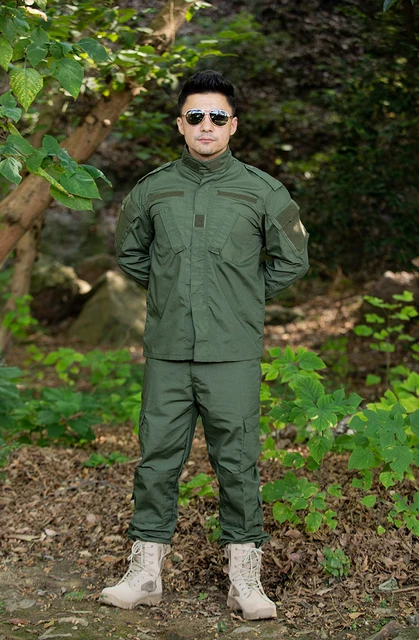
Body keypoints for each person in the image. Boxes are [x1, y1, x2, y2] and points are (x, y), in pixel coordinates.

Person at [100, 70, 309, 620]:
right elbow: (130, 253)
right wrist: (172, 292)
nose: (206, 125)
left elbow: (292, 259)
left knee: (237, 462)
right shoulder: (152, 189)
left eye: (217, 116)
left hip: (231, 352)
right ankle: (145, 574)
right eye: (196, 116)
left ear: (233, 125)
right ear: (180, 124)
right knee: (156, 460)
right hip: (168, 350)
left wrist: (240, 296)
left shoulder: (263, 191)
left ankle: (245, 580)